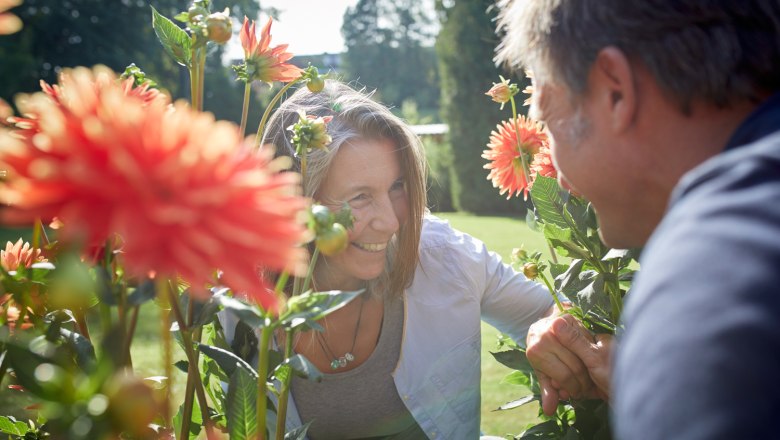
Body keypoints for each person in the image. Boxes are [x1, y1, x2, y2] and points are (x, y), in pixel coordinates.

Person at [495, 1, 780, 439]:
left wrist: (669, 363)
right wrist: (639, 375)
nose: (562, 183)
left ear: (615, 91)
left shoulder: (711, 287)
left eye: (549, 123)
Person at [222, 80, 560, 439]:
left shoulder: (446, 257)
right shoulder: (237, 302)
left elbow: (553, 314)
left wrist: (547, 329)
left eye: (397, 186)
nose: (392, 221)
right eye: (361, 197)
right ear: (294, 202)